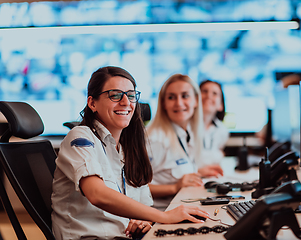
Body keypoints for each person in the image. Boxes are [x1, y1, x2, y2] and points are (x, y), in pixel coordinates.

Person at [51, 66, 209, 240]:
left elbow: (143, 205)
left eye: (131, 95)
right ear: (92, 103)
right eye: (115, 95)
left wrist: (143, 222)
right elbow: (97, 194)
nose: (126, 102)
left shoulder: (127, 149)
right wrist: (164, 216)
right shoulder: (81, 137)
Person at [146, 74, 224, 210]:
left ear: (196, 101)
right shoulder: (155, 139)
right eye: (171, 97)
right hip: (160, 216)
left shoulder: (187, 132)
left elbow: (170, 171)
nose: (179, 103)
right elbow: (134, 190)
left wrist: (198, 172)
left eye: (185, 96)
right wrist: (174, 187)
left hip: (184, 207)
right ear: (163, 103)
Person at [199, 80, 230, 166]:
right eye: (204, 91)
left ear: (221, 105)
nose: (209, 96)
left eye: (215, 93)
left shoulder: (222, 130)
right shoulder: (184, 127)